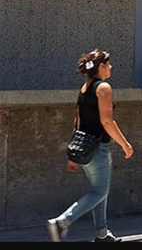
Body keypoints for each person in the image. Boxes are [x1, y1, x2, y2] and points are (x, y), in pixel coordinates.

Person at [47, 49, 134, 242]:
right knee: (100, 191)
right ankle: (62, 223)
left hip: (84, 147)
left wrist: (73, 152)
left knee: (98, 190)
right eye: (109, 64)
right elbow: (107, 121)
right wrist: (125, 144)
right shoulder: (103, 87)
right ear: (101, 66)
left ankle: (102, 233)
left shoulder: (85, 87)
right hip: (97, 148)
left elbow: (78, 120)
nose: (111, 67)